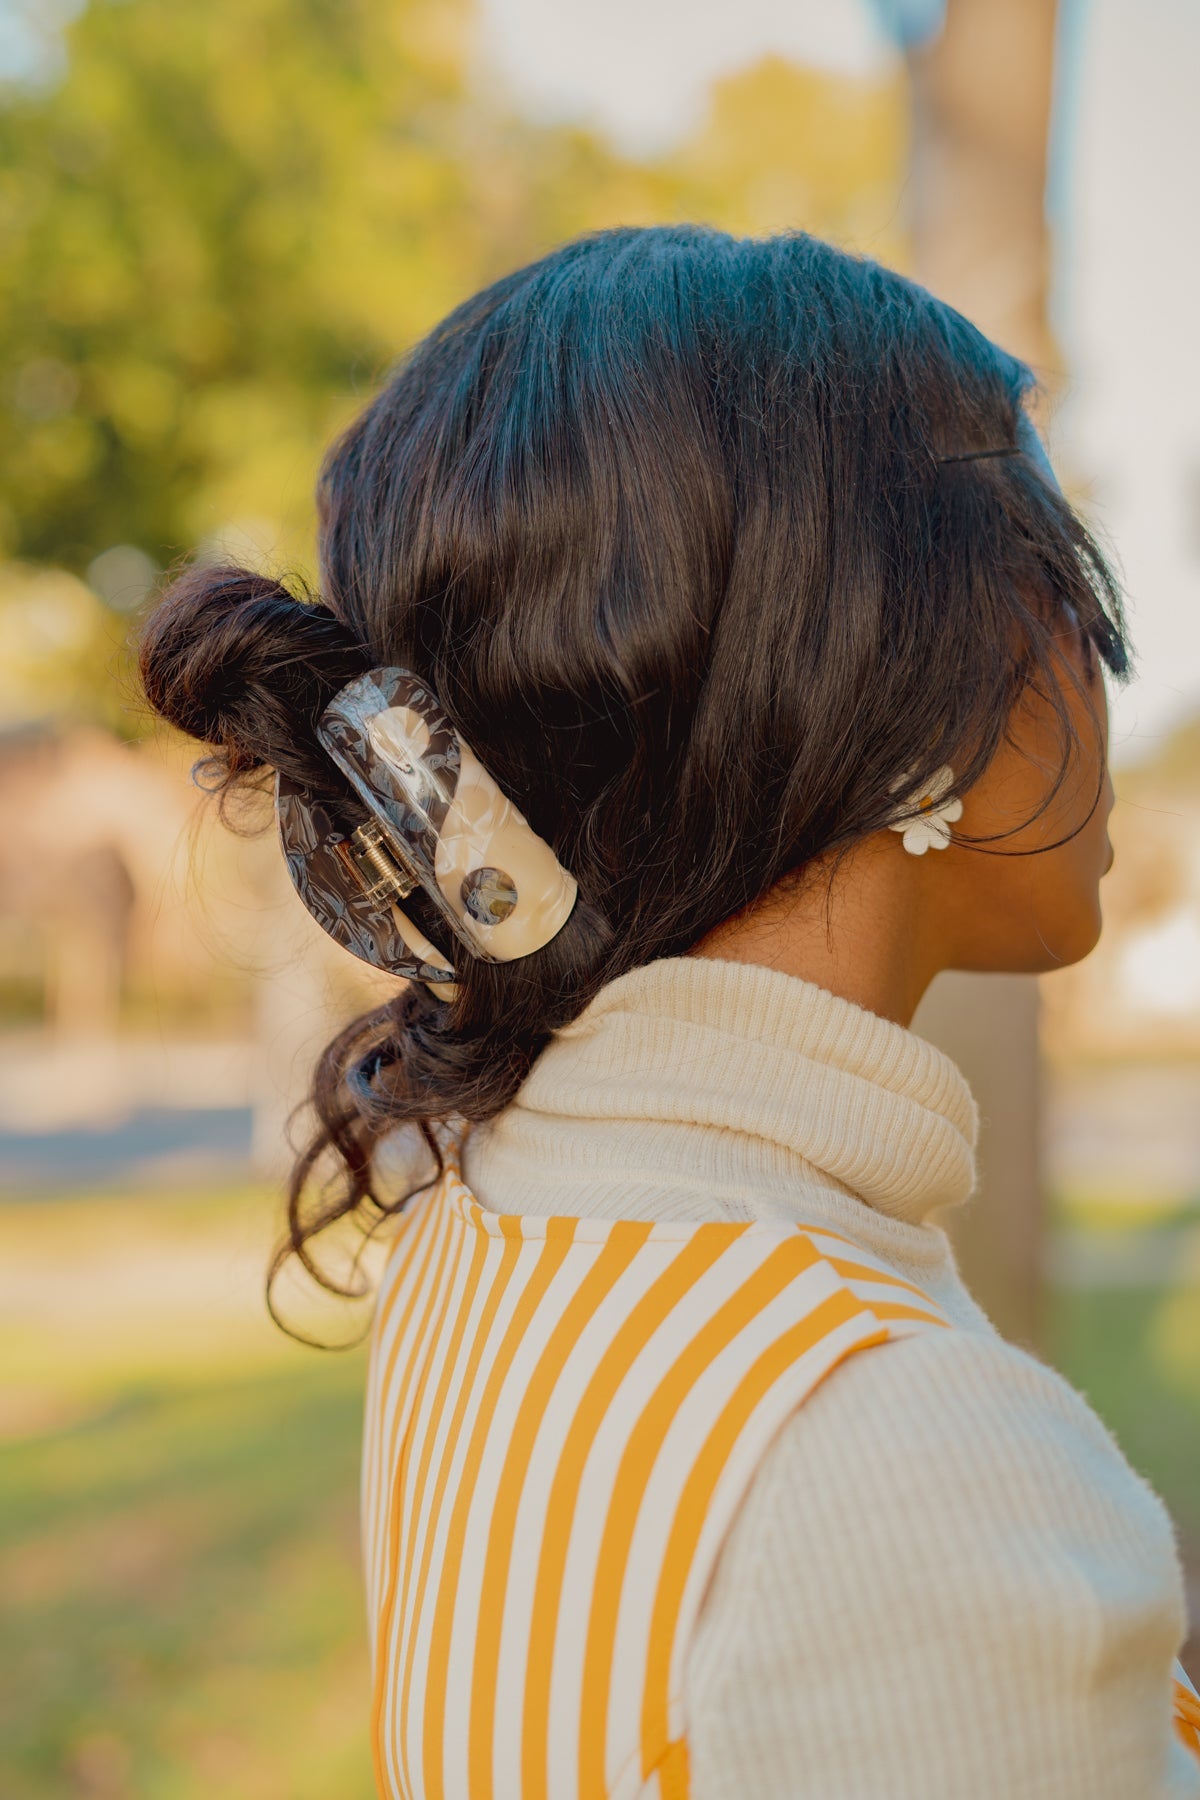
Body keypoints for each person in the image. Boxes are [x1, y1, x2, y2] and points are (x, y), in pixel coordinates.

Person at [139, 226, 1200, 1799]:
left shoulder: (494, 1213)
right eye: (1064, 575)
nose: (1111, 668)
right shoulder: (914, 1461)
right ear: (931, 672)